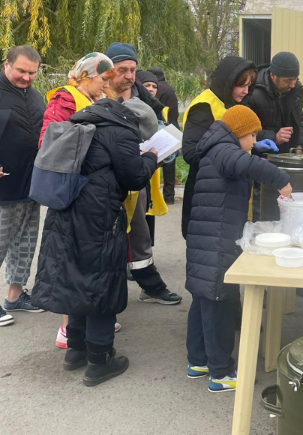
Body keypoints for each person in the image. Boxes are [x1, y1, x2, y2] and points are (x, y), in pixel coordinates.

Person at [31, 97, 158, 386]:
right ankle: (99, 361)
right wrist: (150, 157)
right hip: (99, 216)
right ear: (138, 125)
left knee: (75, 277)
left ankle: (75, 350)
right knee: (101, 283)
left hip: (65, 210)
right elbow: (134, 177)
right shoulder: (122, 132)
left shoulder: (85, 121)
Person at [185, 105, 292, 392]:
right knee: (218, 303)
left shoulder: (216, 148)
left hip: (206, 239)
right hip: (217, 240)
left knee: (202, 300)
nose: (255, 141)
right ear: (238, 132)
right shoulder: (225, 151)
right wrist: (282, 180)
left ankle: (198, 361)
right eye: (252, 135)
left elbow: (244, 161)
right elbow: (248, 165)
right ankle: (221, 373)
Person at [38, 52, 123, 346]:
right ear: (86, 76)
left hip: (88, 188)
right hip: (73, 189)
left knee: (82, 260)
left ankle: (82, 325)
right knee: (70, 259)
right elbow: (49, 142)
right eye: (103, 79)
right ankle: (68, 329)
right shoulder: (65, 97)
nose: (106, 85)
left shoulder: (91, 98)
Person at [106, 42, 181, 305]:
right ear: (108, 70)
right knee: (106, 236)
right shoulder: (97, 94)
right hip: (105, 180)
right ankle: (106, 298)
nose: (129, 76)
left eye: (132, 70)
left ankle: (151, 286)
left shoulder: (144, 97)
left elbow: (159, 130)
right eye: (122, 70)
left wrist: (166, 149)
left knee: (139, 234)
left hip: (138, 176)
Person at [181, 56, 257, 239]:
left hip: (230, 190)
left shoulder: (231, 102)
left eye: (249, 86)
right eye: (241, 86)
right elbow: (191, 152)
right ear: (228, 82)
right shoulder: (204, 107)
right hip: (208, 194)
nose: (246, 91)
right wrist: (233, 152)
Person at [0, 45, 46, 327]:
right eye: (21, 71)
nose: (27, 77)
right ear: (6, 64)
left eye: (32, 73)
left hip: (31, 184)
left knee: (25, 243)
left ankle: (15, 296)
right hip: (3, 187)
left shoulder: (34, 95)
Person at [247, 51, 303, 154]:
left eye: (295, 79)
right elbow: (246, 129)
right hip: (262, 156)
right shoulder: (253, 92)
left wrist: (299, 145)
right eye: (287, 81)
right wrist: (274, 137)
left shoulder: (296, 90)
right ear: (272, 76)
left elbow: (299, 119)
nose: (292, 85)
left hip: (288, 154)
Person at [147, 66, 180, 205]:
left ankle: (154, 197)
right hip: (173, 128)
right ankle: (169, 196)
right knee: (170, 166)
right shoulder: (169, 88)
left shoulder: (159, 89)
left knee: (157, 162)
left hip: (163, 129)